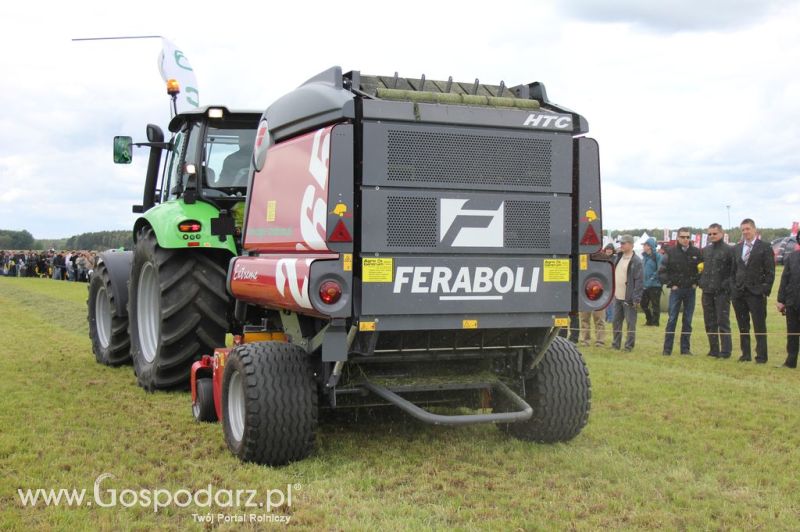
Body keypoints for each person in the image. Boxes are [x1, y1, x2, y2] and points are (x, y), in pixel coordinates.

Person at [731, 218, 775, 363]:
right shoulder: (737, 248)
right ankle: (746, 354)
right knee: (743, 326)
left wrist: (764, 290)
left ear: (754, 230)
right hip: (739, 292)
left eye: (748, 229)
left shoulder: (765, 247)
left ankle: (761, 356)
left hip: (756, 293)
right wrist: (733, 288)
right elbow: (733, 270)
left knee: (759, 326)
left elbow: (770, 272)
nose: (745, 232)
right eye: (743, 230)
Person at [659, 228, 702, 355]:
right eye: (683, 237)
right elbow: (662, 271)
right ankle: (667, 349)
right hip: (676, 290)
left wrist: (696, 283)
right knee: (672, 319)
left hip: (690, 290)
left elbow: (702, 269)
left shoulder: (696, 252)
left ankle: (685, 349)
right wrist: (671, 284)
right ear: (678, 238)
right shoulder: (671, 252)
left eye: (687, 237)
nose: (685, 239)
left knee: (688, 320)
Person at [699, 223, 734, 359]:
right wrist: (701, 281)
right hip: (707, 291)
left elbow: (733, 271)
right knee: (709, 321)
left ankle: (725, 351)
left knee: (722, 321)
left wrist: (726, 285)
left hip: (722, 292)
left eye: (715, 233)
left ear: (721, 233)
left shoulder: (729, 250)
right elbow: (701, 267)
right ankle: (713, 349)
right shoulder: (706, 250)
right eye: (710, 234)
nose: (712, 236)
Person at [611, 235, 643, 351]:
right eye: (621, 243)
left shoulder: (636, 261)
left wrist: (636, 298)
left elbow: (639, 281)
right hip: (617, 296)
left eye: (624, 243)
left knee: (630, 323)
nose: (621, 245)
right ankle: (616, 344)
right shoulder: (618, 257)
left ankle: (629, 346)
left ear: (630, 244)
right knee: (616, 322)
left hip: (629, 298)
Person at [777, 237, 800, 368]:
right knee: (792, 333)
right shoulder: (792, 257)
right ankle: (790, 361)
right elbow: (784, 279)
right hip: (793, 302)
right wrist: (781, 300)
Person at [640, 238, 663, 326]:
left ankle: (655, 322)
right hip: (645, 285)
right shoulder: (644, 257)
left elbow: (660, 269)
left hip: (655, 285)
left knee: (655, 305)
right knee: (643, 304)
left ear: (649, 246)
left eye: (645, 245)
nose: (643, 247)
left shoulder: (658, 256)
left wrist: (652, 278)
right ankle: (649, 320)